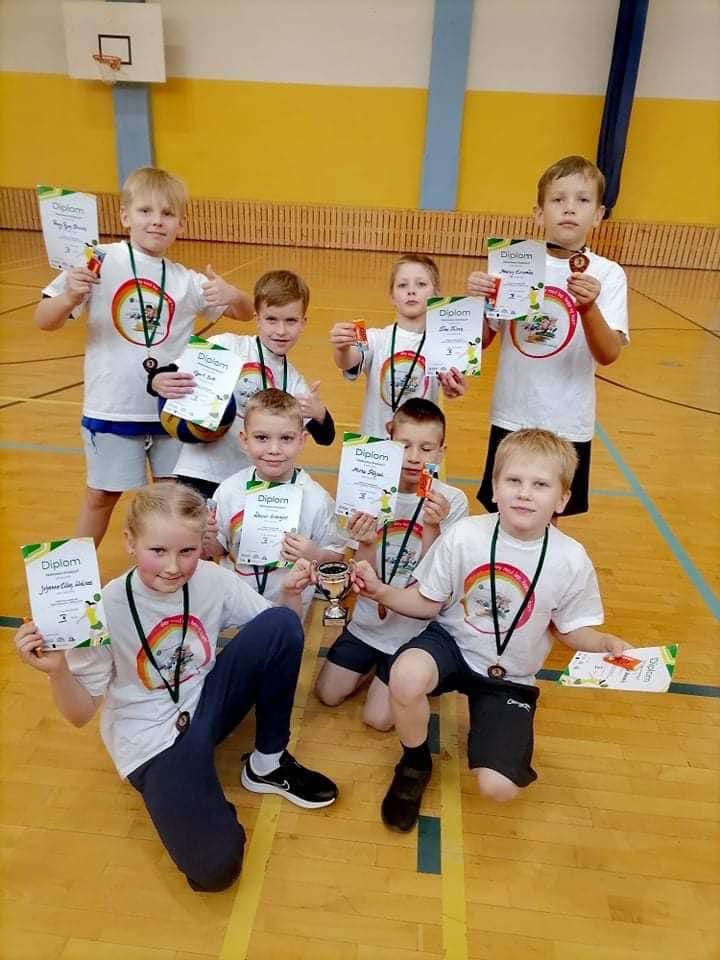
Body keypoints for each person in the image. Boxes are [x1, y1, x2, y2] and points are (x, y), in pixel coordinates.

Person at [14, 484, 338, 891]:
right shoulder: (100, 610)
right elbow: (80, 715)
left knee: (281, 623)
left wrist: (290, 593)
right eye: (158, 551)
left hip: (206, 705)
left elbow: (280, 636)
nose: (173, 566)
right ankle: (195, 791)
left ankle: (267, 763)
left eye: (187, 551)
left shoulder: (211, 578)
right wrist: (58, 670)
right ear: (129, 542)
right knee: (215, 872)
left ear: (202, 544)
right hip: (153, 740)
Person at [352, 429, 629, 832]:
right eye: (513, 481)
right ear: (494, 489)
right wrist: (380, 591)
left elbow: (570, 631)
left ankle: (492, 729)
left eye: (540, 485)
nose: (525, 493)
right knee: (406, 675)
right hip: (452, 645)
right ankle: (414, 761)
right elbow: (427, 603)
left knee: (499, 788)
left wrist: (603, 642)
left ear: (562, 499)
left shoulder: (571, 559)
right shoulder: (465, 535)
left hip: (509, 674)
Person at [36, 167, 254, 546]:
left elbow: (246, 313)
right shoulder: (98, 261)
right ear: (125, 216)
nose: (156, 221)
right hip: (113, 406)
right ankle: (75, 578)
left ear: (181, 224)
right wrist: (69, 296)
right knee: (101, 496)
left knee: (172, 501)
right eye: (145, 211)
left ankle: (167, 568)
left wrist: (232, 295)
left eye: (167, 214)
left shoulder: (185, 280)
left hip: (172, 412)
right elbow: (44, 320)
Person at [467, 156, 629, 517]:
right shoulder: (513, 263)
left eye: (582, 200)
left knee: (549, 515)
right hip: (512, 414)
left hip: (567, 421)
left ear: (599, 215)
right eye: (558, 199)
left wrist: (588, 308)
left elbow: (608, 354)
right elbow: (481, 341)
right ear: (539, 213)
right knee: (502, 508)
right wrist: (478, 302)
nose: (569, 208)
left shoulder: (608, 274)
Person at [315, 399, 467, 729]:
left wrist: (433, 526)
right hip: (369, 620)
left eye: (426, 448)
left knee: (378, 719)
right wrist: (367, 542)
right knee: (327, 694)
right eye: (404, 445)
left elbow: (432, 584)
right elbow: (362, 576)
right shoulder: (367, 489)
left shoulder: (452, 501)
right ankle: (373, 668)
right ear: (388, 440)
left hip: (416, 631)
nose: (414, 457)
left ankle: (415, 674)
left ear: (441, 452)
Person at [150, 269, 335, 498]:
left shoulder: (293, 380)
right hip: (199, 472)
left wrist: (319, 414)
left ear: (303, 323)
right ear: (257, 319)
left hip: (246, 483)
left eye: (291, 321)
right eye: (271, 319)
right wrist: (156, 381)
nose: (281, 331)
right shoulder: (227, 346)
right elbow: (171, 372)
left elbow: (326, 437)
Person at [203, 389, 344, 613]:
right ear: (244, 440)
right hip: (232, 610)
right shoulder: (229, 491)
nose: (274, 450)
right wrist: (207, 537)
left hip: (290, 611)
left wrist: (315, 555)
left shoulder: (317, 500)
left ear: (302, 440)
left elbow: (336, 557)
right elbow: (217, 550)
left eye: (286, 438)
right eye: (262, 438)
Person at [330, 254, 467, 439]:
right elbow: (347, 361)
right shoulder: (375, 339)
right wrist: (342, 348)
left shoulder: (443, 344)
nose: (411, 291)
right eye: (402, 285)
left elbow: (451, 386)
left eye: (421, 284)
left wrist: (452, 388)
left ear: (436, 294)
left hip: (419, 446)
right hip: (376, 446)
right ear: (392, 296)